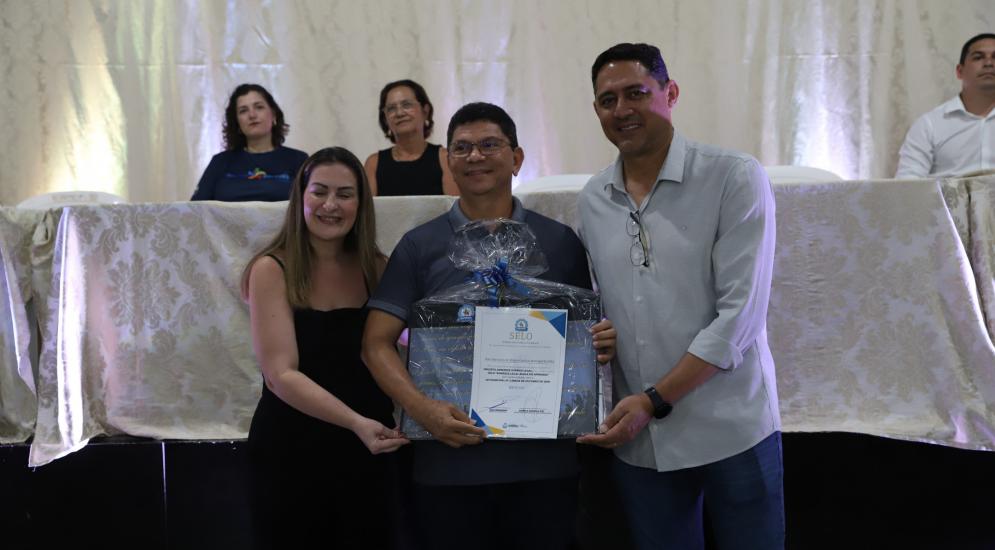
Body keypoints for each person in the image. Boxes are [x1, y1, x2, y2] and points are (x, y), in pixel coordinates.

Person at [361, 102, 616, 550]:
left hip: (544, 463)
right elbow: (375, 344)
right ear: (448, 161)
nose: (475, 156)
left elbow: (584, 339)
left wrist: (602, 341)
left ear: (517, 158)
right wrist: (423, 411)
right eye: (462, 148)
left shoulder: (559, 241)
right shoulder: (420, 245)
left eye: (489, 145)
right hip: (449, 463)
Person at [576, 43, 783, 550]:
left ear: (670, 93)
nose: (621, 110)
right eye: (607, 100)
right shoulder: (594, 197)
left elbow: (739, 318)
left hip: (729, 425)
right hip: (641, 438)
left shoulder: (733, 175)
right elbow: (604, 305)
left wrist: (653, 399)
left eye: (636, 93)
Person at [241, 147, 408, 549]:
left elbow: (407, 343)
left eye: (345, 194)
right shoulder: (271, 269)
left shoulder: (378, 267)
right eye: (320, 192)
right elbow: (280, 375)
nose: (330, 205)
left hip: (370, 449)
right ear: (301, 196)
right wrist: (355, 422)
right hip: (292, 450)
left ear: (360, 205)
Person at [896, 33, 995, 178]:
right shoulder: (929, 125)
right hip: (947, 193)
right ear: (960, 71)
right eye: (978, 57)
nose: (989, 63)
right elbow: (908, 183)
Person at [192, 83, 308, 201]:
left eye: (259, 107)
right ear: (237, 123)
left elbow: (311, 205)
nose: (252, 115)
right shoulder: (220, 162)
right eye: (243, 111)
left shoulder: (298, 160)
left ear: (273, 115)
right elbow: (196, 208)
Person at [364, 79, 458, 196]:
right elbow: (367, 207)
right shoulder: (373, 164)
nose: (399, 113)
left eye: (407, 105)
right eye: (391, 108)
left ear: (425, 111)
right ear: (385, 118)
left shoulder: (445, 159)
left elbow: (454, 205)